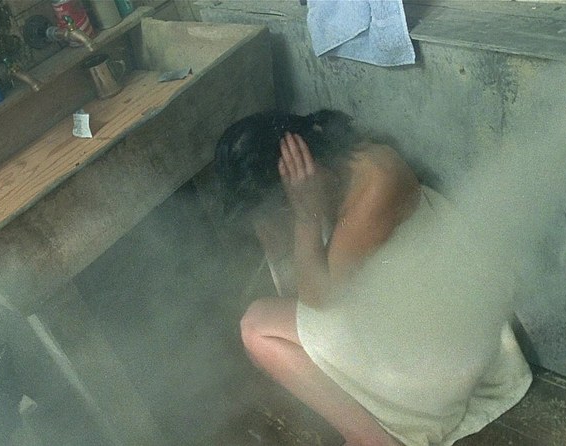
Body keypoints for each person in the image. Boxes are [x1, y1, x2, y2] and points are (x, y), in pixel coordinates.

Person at [214, 110, 532, 446]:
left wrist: (306, 217)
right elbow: (297, 288)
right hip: (414, 325)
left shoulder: (376, 179)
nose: (283, 210)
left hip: (443, 357)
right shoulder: (329, 173)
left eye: (280, 203)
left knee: (256, 329)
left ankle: (370, 439)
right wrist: (280, 222)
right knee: (281, 323)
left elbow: (316, 299)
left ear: (302, 162)